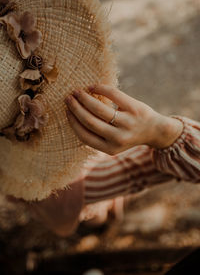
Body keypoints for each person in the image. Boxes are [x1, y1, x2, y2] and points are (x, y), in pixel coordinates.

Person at [12, 83, 200, 274]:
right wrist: (161, 133)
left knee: (90, 191)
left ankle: (97, 221)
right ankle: (97, 220)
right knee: (95, 187)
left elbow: (134, 172)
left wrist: (161, 132)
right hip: (52, 180)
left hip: (61, 183)